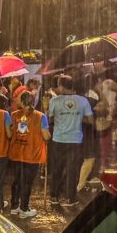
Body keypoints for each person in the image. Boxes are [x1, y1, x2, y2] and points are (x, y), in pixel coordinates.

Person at [47, 74, 93, 207]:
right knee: (72, 170)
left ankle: (54, 197)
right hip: (75, 140)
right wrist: (78, 118)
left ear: (61, 86)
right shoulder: (83, 101)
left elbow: (50, 120)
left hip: (58, 140)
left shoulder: (54, 101)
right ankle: (70, 198)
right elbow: (90, 120)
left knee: (57, 169)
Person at [8, 91, 50, 218]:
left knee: (17, 180)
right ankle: (24, 209)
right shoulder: (40, 116)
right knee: (27, 182)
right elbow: (46, 136)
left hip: (17, 152)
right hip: (32, 154)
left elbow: (10, 132)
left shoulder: (14, 115)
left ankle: (14, 206)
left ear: (21, 102)